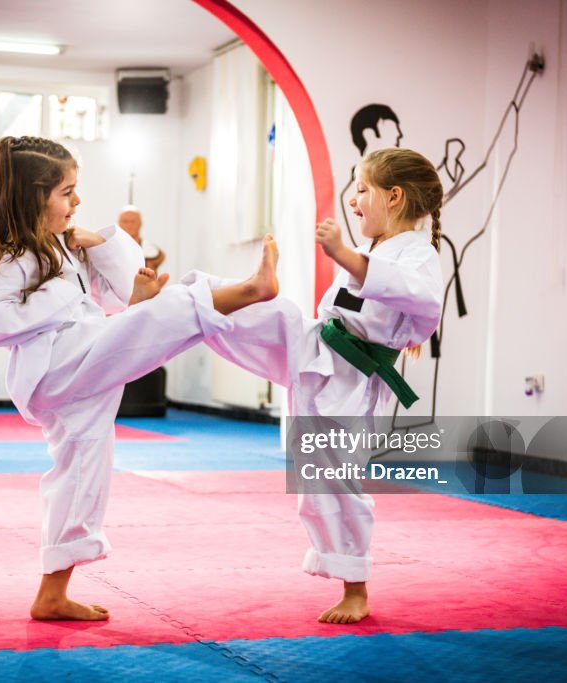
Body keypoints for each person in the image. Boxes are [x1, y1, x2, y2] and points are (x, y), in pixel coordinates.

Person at [0, 135, 279, 622]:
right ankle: (249, 289)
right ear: (34, 196)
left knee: (82, 475)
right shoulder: (15, 256)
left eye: (76, 189)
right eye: (67, 192)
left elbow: (112, 292)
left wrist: (105, 252)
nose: (77, 201)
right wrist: (69, 300)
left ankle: (52, 591)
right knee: (173, 310)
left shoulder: (63, 248)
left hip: (80, 365)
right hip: (58, 368)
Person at [189, 147, 444, 624]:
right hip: (319, 348)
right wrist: (357, 263)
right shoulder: (376, 251)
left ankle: (355, 589)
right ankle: (193, 300)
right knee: (271, 316)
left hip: (350, 377)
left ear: (394, 196)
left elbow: (422, 301)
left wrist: (345, 256)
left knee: (329, 480)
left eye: (362, 190)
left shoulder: (417, 252)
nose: (353, 201)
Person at [117, 204, 165, 271]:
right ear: (119, 223)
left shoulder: (152, 251)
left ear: (140, 223)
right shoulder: (111, 249)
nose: (129, 225)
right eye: (125, 221)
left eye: (133, 221)